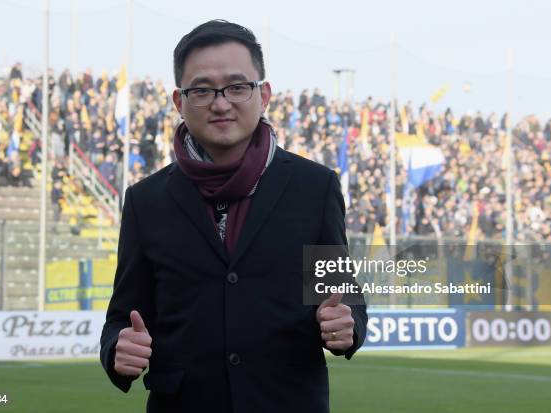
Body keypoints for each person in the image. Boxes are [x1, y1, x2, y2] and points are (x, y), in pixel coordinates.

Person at [100, 20, 367, 413]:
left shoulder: (315, 188)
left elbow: (344, 298)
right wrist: (117, 350)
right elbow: (122, 317)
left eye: (237, 87)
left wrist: (348, 326)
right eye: (202, 89)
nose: (221, 102)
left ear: (264, 95)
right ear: (179, 101)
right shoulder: (146, 201)